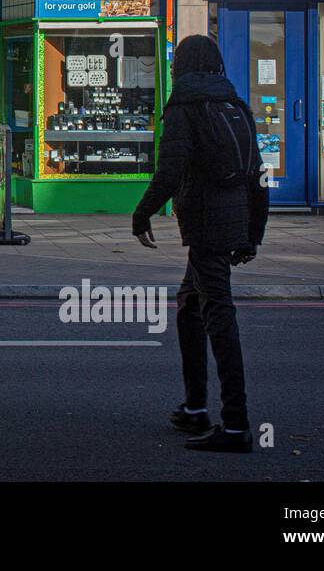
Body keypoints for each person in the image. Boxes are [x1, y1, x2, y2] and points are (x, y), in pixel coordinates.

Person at [132, 35, 269, 453]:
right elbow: (257, 175)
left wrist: (142, 214)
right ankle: (194, 408)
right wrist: (253, 234)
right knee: (191, 307)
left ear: (182, 66)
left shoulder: (185, 107)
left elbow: (170, 171)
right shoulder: (236, 105)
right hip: (233, 219)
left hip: (207, 225)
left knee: (218, 316)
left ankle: (235, 424)